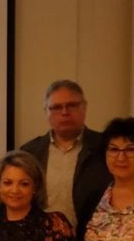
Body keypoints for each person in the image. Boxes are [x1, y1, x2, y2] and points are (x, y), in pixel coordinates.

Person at [19, 80, 110, 228]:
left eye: (72, 105)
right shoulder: (30, 152)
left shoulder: (106, 148)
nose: (64, 112)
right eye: (56, 107)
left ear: (84, 107)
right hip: (42, 238)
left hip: (93, 236)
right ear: (46, 111)